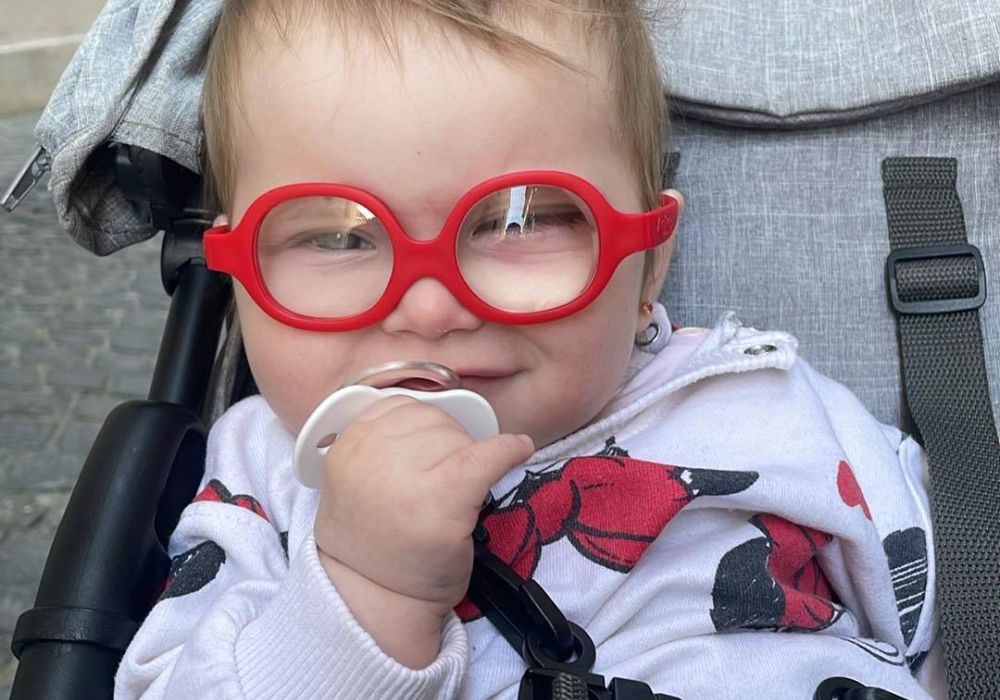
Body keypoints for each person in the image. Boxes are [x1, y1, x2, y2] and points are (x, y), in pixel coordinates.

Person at [114, 1, 940, 697]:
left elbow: (956, 618)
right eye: (336, 237)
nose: (430, 309)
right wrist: (364, 587)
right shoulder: (266, 478)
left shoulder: (772, 408)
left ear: (650, 260)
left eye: (521, 220)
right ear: (235, 264)